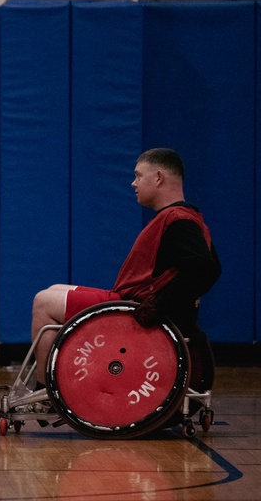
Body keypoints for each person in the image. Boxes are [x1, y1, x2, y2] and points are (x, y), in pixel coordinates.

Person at [30, 147, 221, 385]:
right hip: (130, 302)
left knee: (43, 302)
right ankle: (59, 382)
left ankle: (44, 392)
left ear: (159, 178)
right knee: (55, 289)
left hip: (132, 308)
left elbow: (205, 268)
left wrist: (158, 305)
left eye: (139, 175)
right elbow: (211, 268)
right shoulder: (185, 217)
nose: (133, 183)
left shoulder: (178, 221)